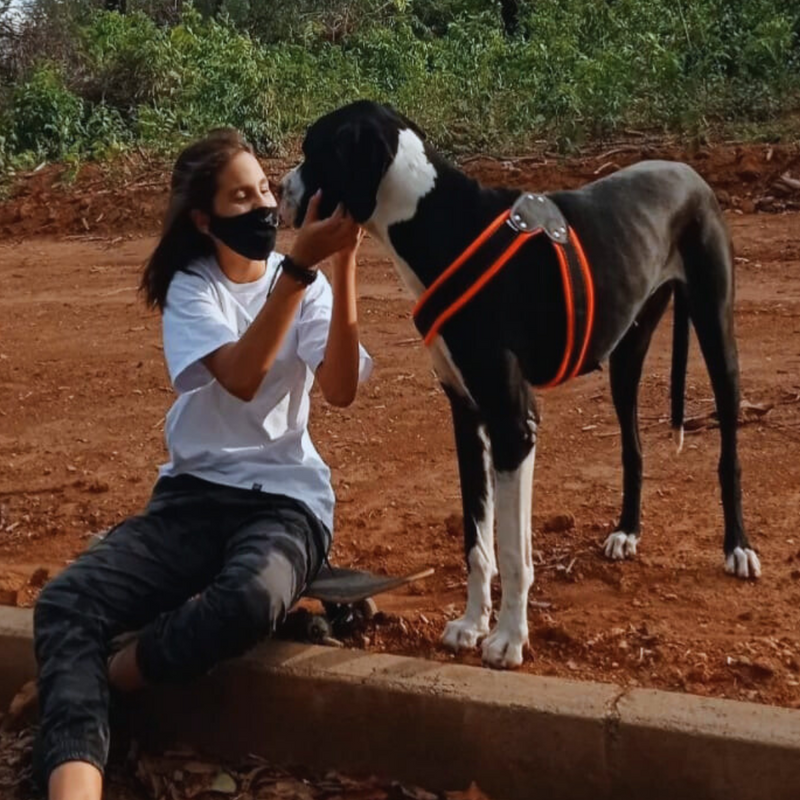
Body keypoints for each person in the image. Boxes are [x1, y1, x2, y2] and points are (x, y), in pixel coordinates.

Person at [32, 128, 371, 800]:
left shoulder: (298, 279)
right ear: (202, 218)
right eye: (240, 197)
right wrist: (300, 269)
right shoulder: (194, 289)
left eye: (265, 190)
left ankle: (120, 673)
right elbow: (242, 376)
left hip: (285, 502)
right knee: (66, 604)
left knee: (249, 597)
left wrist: (343, 265)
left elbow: (339, 389)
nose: (263, 206)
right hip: (193, 497)